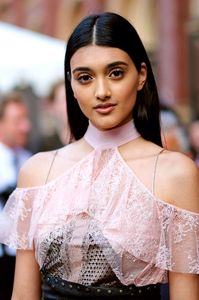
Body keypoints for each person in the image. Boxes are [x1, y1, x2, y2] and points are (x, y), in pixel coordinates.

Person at [0, 12, 198, 300]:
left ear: (141, 75)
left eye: (115, 73)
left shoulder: (175, 172)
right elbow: (23, 294)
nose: (101, 91)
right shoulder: (37, 170)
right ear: (71, 83)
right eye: (85, 77)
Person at [0, 92, 32, 300]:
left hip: (23, 261)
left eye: (25, 119)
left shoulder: (29, 161)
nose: (26, 126)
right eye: (17, 121)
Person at [39, 79, 71, 151]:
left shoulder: (93, 142)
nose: (72, 102)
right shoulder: (46, 147)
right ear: (51, 107)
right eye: (65, 98)